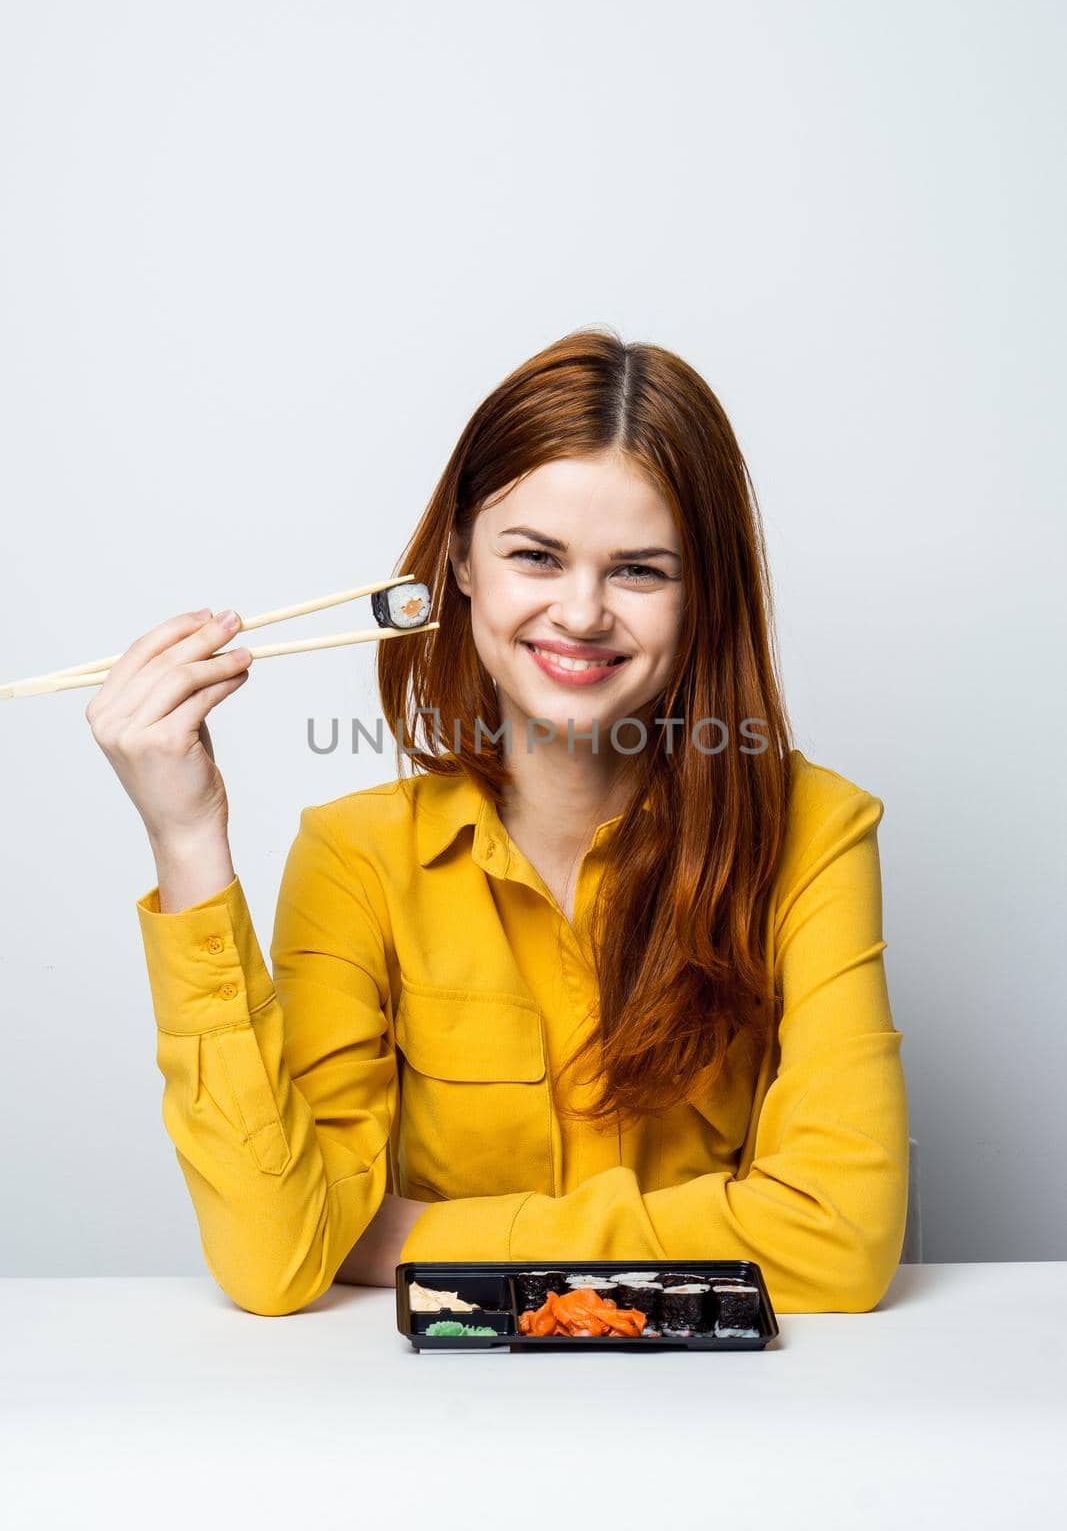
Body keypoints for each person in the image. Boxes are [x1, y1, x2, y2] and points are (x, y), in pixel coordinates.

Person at [86, 328, 908, 1318]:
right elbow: (277, 1257)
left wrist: (411, 1236)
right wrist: (186, 836)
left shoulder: (809, 832)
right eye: (535, 556)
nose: (581, 611)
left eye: (640, 570)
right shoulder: (357, 858)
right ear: (464, 563)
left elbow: (841, 1238)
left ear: (701, 597)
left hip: (724, 1424)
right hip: (441, 1443)